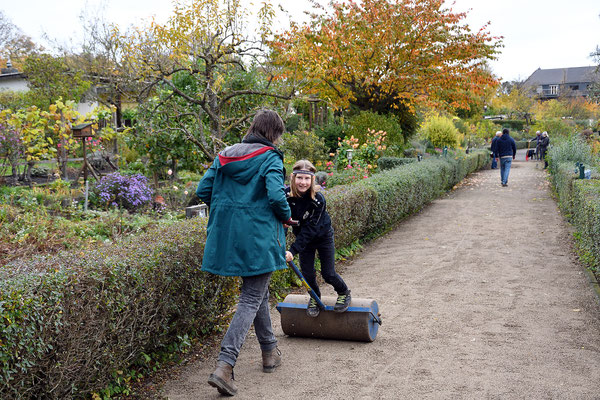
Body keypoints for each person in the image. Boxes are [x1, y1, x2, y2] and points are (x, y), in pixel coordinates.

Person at [197, 109, 294, 396]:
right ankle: (224, 366)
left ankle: (269, 352)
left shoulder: (225, 154)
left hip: (228, 236)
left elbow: (204, 189)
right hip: (258, 237)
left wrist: (230, 210)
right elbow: (277, 197)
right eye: (278, 135)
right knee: (251, 297)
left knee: (258, 292)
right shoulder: (270, 157)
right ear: (273, 133)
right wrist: (286, 217)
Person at [284, 160, 352, 317]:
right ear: (293, 178)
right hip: (304, 239)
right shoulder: (286, 195)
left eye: (307, 179)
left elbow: (310, 229)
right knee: (307, 274)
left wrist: (293, 250)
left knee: (328, 273)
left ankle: (344, 292)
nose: (303, 182)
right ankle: (315, 297)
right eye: (299, 178)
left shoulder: (318, 200)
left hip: (322, 237)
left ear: (312, 180)